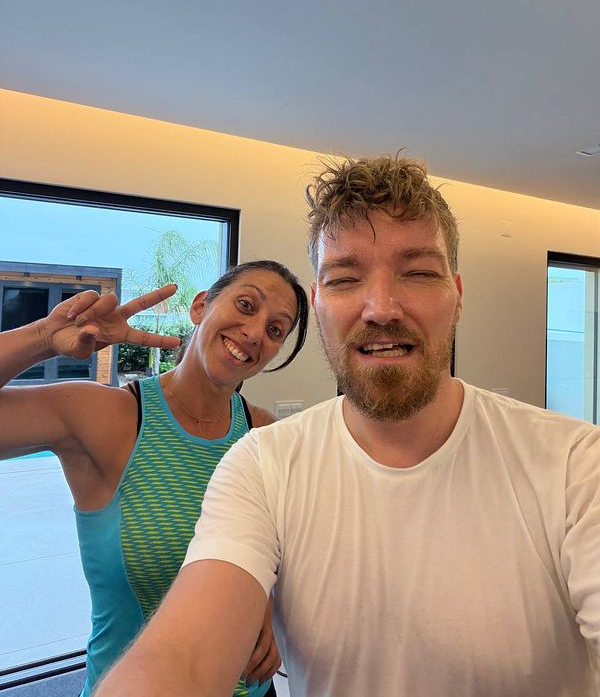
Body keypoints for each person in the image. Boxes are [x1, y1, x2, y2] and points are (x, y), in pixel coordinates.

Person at [96, 157, 600, 697]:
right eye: (344, 279)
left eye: (418, 273)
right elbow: (181, 659)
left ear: (457, 295)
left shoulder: (575, 466)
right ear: (318, 303)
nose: (381, 308)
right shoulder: (263, 465)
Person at [0, 259, 309, 697]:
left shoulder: (267, 434)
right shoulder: (110, 417)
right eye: (246, 305)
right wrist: (43, 337)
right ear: (200, 307)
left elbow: (287, 556)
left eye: (276, 329)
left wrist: (271, 601)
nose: (256, 332)